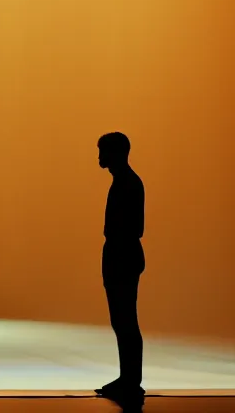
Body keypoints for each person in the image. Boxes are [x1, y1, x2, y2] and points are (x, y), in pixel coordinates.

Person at [94, 132, 146, 406]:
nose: (99, 157)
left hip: (122, 257)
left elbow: (134, 227)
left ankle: (131, 379)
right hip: (120, 256)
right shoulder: (125, 182)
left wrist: (116, 250)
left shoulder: (128, 184)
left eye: (103, 151)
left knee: (125, 319)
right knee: (122, 320)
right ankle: (128, 377)